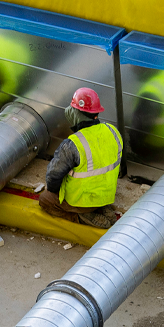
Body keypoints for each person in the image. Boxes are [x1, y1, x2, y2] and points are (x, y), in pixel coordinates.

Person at [38, 87, 122, 229]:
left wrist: (54, 192)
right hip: (106, 195)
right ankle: (102, 208)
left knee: (45, 199)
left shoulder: (73, 144)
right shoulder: (112, 131)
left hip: (80, 201)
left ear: (76, 114)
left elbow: (53, 177)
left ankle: (79, 216)